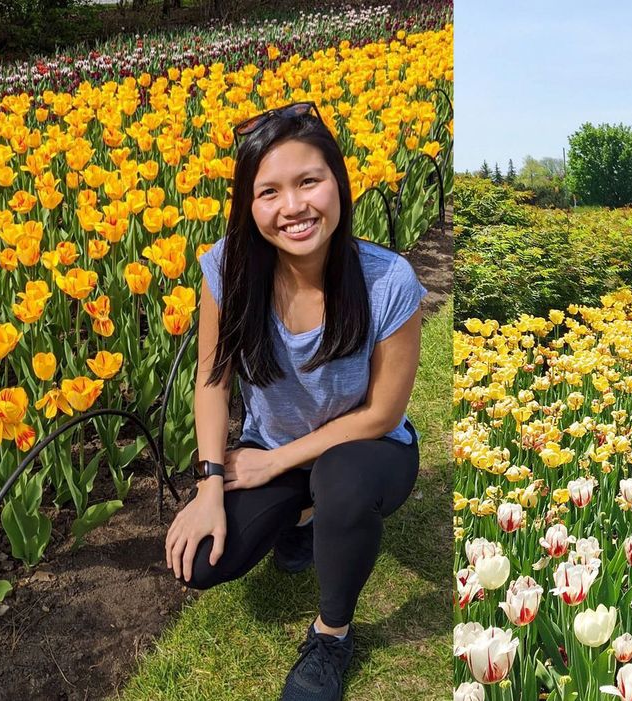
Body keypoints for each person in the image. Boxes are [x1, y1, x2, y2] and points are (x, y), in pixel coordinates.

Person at [163, 102, 427, 701]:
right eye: (269, 191)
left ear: (338, 181)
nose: (293, 207)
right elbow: (212, 380)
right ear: (248, 204)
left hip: (369, 447)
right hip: (277, 443)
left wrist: (274, 463)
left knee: (342, 482)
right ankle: (304, 519)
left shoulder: (387, 280)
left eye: (309, 181)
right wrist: (209, 486)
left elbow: (382, 412)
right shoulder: (229, 270)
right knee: (203, 562)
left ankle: (332, 634)